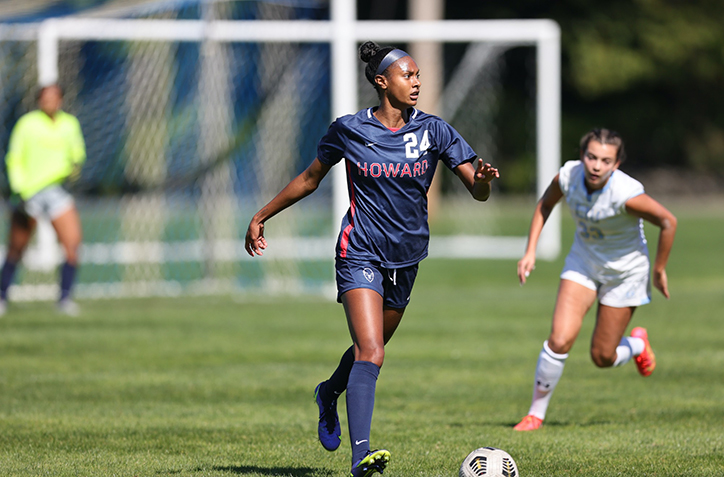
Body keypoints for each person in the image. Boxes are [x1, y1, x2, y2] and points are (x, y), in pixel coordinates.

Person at [245, 41, 499, 476]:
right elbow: (310, 179)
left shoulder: (436, 131)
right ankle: (361, 456)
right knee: (372, 351)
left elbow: (476, 189)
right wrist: (261, 215)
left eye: (418, 75)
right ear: (382, 82)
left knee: (371, 347)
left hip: (407, 258)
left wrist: (485, 182)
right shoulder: (349, 129)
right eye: (407, 75)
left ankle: (328, 392)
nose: (416, 81)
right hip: (358, 249)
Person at [513, 128, 677, 431]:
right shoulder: (569, 176)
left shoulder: (626, 194)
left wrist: (659, 269)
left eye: (605, 160)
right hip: (584, 263)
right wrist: (530, 251)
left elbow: (668, 221)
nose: (596, 165)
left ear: (616, 165)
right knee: (559, 339)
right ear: (582, 156)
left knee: (602, 357)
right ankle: (535, 414)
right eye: (591, 157)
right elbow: (545, 204)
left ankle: (638, 345)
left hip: (624, 274)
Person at [1, 84, 86, 316]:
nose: (50, 102)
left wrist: (75, 165)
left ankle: (65, 299)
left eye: (54, 97)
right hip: (30, 194)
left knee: (72, 245)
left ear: (60, 100)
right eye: (46, 98)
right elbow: (14, 157)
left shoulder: (69, 124)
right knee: (16, 248)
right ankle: (2, 297)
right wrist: (20, 189)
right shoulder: (27, 124)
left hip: (57, 191)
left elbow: (78, 153)